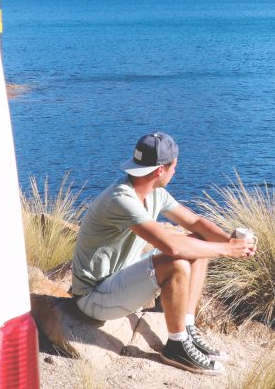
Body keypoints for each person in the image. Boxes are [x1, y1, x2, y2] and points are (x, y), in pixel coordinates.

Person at [70, 131, 256, 375]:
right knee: (177, 263)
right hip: (93, 297)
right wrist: (227, 250)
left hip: (117, 279)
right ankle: (176, 346)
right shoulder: (122, 199)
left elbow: (196, 222)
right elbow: (173, 248)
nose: (175, 172)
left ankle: (186, 329)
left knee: (198, 243)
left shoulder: (153, 192)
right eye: (174, 166)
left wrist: (233, 242)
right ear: (161, 170)